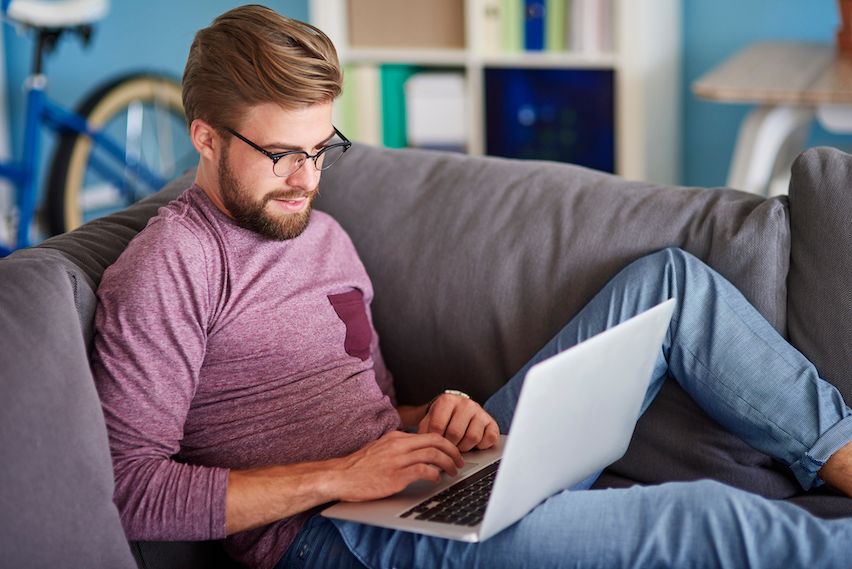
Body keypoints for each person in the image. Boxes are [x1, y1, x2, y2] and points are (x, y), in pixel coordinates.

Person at [91, 5, 852, 569]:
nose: (308, 180)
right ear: (206, 136)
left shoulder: (322, 234)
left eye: (322, 150)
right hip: (329, 539)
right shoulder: (170, 269)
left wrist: (435, 415)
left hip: (412, 481)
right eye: (282, 155)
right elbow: (133, 490)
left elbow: (372, 401)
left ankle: (840, 452)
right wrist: (344, 476)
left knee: (672, 286)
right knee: (703, 520)